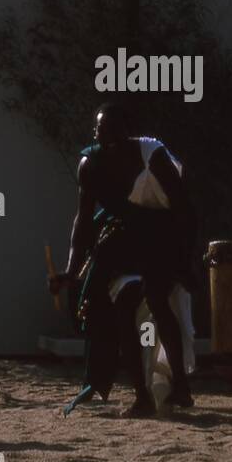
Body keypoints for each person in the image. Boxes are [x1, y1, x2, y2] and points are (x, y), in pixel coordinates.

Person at [49, 103, 196, 419]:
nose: (108, 136)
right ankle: (142, 396)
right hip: (126, 238)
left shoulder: (152, 155)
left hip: (164, 235)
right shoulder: (90, 166)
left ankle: (181, 385)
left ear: (128, 132)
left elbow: (183, 209)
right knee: (122, 305)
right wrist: (71, 271)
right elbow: (84, 221)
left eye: (115, 129)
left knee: (157, 296)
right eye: (102, 129)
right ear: (96, 134)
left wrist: (186, 262)